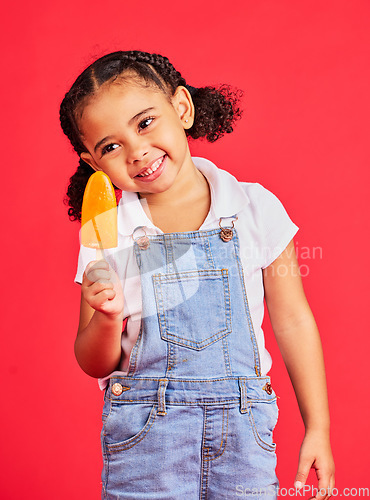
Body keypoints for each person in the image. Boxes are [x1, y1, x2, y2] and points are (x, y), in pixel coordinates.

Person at [60, 50, 335, 499]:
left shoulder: (255, 208)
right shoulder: (107, 234)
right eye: (110, 147)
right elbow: (93, 361)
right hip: (145, 443)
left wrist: (317, 427)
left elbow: (293, 321)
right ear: (94, 163)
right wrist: (107, 317)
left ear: (182, 109)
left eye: (145, 122)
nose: (137, 151)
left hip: (244, 439)